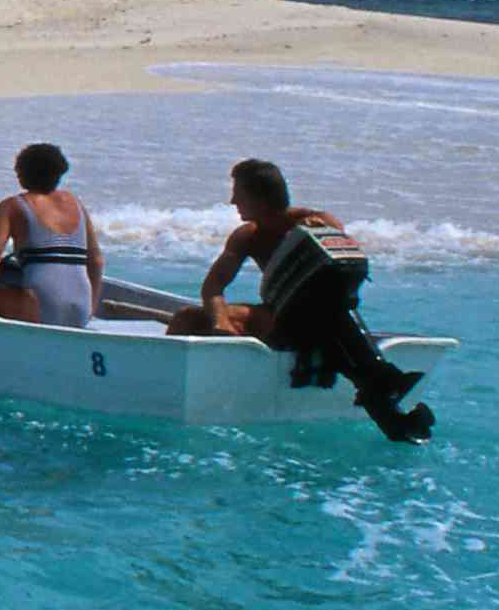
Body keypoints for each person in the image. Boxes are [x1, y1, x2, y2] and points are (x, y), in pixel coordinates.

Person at [173, 157, 436, 443]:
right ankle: (386, 388)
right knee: (188, 317)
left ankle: (386, 400)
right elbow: (213, 287)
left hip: (322, 314)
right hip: (283, 316)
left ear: (259, 198)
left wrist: (321, 234)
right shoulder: (247, 236)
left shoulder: (319, 222)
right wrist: (220, 322)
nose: (232, 200)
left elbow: (346, 278)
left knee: (322, 315)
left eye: (239, 193)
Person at [0, 140, 103, 325]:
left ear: (23, 172)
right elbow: (97, 261)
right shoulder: (76, 203)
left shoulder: (12, 206)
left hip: (36, 306)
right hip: (81, 311)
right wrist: (90, 309)